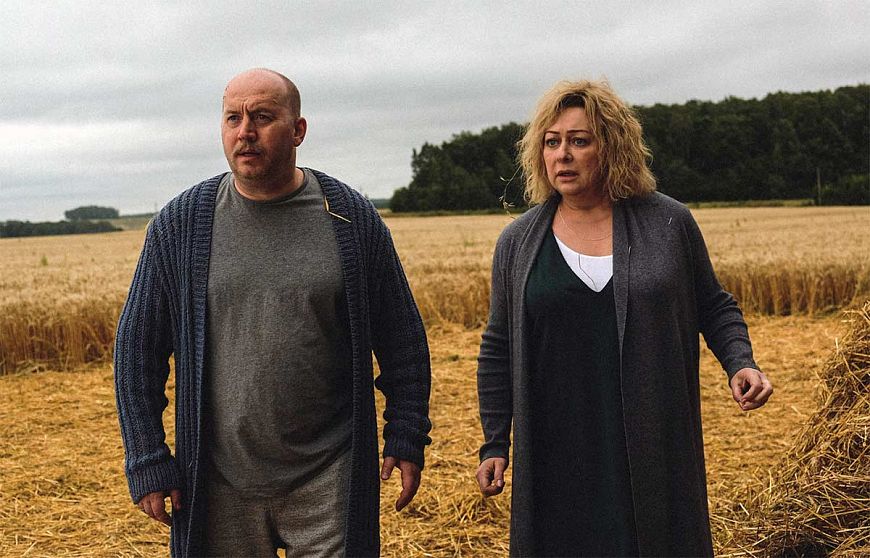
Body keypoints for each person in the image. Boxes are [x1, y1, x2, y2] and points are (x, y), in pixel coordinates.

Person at [114, 68, 432, 558]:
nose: (246, 131)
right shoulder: (181, 225)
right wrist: (146, 456)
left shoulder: (350, 218)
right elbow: (137, 351)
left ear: (298, 130)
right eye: (233, 118)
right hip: (217, 481)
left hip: (331, 478)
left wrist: (406, 434)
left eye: (263, 117)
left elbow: (402, 338)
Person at [474, 79, 773, 557]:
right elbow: (497, 347)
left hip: (652, 441)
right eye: (551, 142)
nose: (562, 155)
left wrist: (741, 362)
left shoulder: (669, 223)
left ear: (612, 148)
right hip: (556, 448)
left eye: (579, 141)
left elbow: (714, 305)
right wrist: (495, 442)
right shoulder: (518, 242)